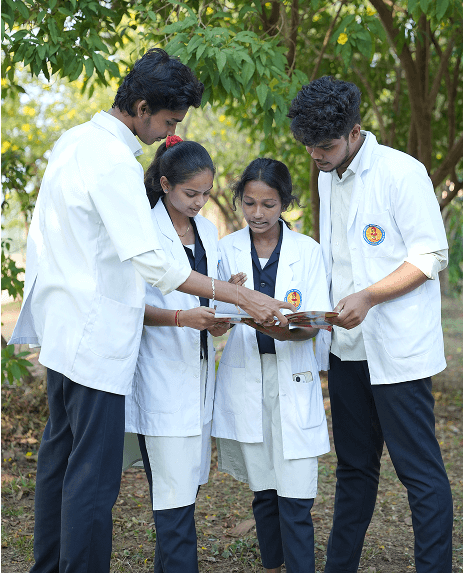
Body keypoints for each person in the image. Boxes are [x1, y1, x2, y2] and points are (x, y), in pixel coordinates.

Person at [10, 48, 293, 573]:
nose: (170, 133)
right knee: (93, 477)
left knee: (60, 463)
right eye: (169, 121)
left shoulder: (74, 141)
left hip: (63, 332)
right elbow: (152, 262)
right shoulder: (113, 160)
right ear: (141, 108)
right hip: (95, 341)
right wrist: (240, 295)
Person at [288, 75, 453, 573]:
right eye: (310, 146)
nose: (316, 155)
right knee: (354, 469)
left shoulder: (402, 172)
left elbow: (430, 255)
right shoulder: (326, 175)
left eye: (326, 146)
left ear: (355, 131)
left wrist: (370, 296)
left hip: (397, 351)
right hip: (346, 349)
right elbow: (338, 258)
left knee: (418, 473)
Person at [212, 158, 332, 573]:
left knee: (296, 491)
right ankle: (271, 565)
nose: (258, 214)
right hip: (247, 374)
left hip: (292, 373)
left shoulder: (307, 251)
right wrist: (229, 301)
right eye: (249, 203)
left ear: (285, 203)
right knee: (263, 487)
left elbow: (316, 322)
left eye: (269, 204)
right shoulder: (225, 250)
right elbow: (215, 321)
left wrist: (284, 331)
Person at [123, 137, 230, 573]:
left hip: (199, 374)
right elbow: (133, 307)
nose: (200, 203)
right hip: (160, 376)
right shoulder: (144, 232)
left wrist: (220, 318)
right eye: (191, 193)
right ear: (165, 184)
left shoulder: (208, 232)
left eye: (206, 193)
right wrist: (183, 318)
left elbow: (211, 293)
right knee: (173, 499)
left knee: (186, 489)